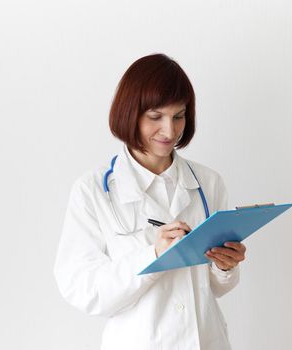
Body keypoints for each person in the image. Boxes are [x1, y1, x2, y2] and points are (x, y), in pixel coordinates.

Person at [54, 53, 247, 350]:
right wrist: (152, 255)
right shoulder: (92, 191)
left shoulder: (209, 183)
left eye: (178, 116)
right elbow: (83, 290)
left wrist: (226, 267)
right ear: (130, 113)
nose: (170, 131)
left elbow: (214, 289)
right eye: (156, 117)